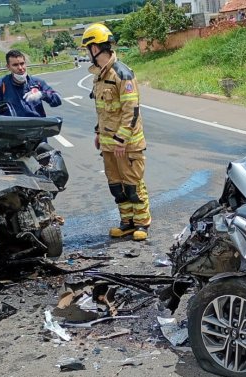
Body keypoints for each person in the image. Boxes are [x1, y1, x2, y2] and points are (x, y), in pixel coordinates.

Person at [82, 23, 153, 241]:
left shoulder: (122, 73)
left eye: (88, 49)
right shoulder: (99, 76)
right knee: (116, 186)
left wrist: (121, 139)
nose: (88, 53)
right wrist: (98, 133)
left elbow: (131, 110)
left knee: (133, 184)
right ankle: (127, 223)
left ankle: (142, 223)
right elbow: (104, 111)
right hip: (108, 143)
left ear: (95, 48)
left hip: (127, 144)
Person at [0, 50, 61, 118]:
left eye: (22, 63)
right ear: (8, 67)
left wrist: (42, 94)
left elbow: (57, 99)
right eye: (15, 65)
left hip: (37, 126)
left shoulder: (37, 82)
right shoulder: (1, 84)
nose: (20, 68)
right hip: (12, 128)